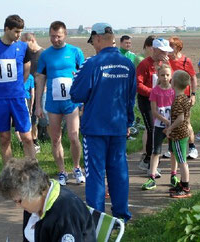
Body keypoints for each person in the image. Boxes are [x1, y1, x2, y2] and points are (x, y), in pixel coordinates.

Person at [70, 22, 135, 220]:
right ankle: (121, 216)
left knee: (96, 174)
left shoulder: (92, 63)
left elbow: (76, 94)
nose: (93, 46)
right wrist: (128, 123)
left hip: (95, 129)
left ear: (97, 38)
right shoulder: (128, 64)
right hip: (118, 126)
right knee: (119, 172)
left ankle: (97, 218)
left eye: (93, 42)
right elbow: (130, 98)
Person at [0, 158, 96, 242]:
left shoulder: (65, 213)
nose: (18, 206)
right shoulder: (33, 206)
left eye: (19, 201)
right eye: (15, 201)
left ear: (36, 191)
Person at [34, 21, 85, 185]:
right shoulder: (45, 55)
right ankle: (62, 172)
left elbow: (83, 77)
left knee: (73, 136)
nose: (55, 39)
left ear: (65, 35)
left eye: (58, 36)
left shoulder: (75, 52)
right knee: (55, 139)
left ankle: (77, 168)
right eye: (52, 36)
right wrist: (38, 105)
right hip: (53, 103)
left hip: (71, 102)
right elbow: (40, 79)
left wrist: (83, 100)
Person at [0, 15, 35, 163]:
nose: (19, 35)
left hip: (18, 98)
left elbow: (26, 72)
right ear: (7, 29)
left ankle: (33, 171)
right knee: (5, 138)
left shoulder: (24, 48)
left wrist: (16, 87)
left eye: (20, 31)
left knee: (27, 137)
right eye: (16, 31)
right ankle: (9, 174)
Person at [136, 38, 173, 171]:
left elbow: (170, 79)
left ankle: (153, 159)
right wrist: (153, 92)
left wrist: (169, 67)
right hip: (146, 101)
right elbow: (138, 84)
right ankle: (147, 161)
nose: (166, 54)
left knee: (159, 130)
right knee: (152, 129)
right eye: (163, 51)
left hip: (161, 102)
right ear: (155, 50)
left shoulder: (165, 63)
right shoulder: (145, 64)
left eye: (167, 52)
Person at [141, 64, 179, 190]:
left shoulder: (174, 91)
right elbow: (154, 111)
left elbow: (176, 108)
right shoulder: (155, 91)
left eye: (167, 75)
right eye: (162, 75)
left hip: (172, 126)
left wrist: (171, 123)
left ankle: (173, 175)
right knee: (156, 151)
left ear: (171, 76)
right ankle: (152, 177)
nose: (165, 77)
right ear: (158, 76)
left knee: (173, 150)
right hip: (159, 126)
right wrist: (165, 121)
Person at [168, 36, 199, 159]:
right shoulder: (166, 60)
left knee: (186, 122)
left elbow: (193, 77)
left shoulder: (186, 60)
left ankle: (192, 147)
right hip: (169, 95)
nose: (169, 49)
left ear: (178, 47)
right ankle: (172, 148)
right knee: (171, 121)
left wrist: (193, 94)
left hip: (183, 95)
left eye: (172, 46)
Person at [165, 70, 193, 198]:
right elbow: (187, 116)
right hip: (184, 132)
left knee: (182, 161)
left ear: (174, 83)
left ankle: (185, 187)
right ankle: (182, 183)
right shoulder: (185, 98)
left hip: (178, 135)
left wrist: (170, 128)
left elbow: (180, 118)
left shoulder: (177, 100)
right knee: (182, 159)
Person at [21, 33, 46, 150]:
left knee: (43, 117)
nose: (22, 45)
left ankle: (40, 139)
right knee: (30, 117)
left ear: (32, 40)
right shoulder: (26, 54)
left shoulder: (43, 54)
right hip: (29, 89)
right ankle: (31, 142)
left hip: (41, 89)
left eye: (24, 42)